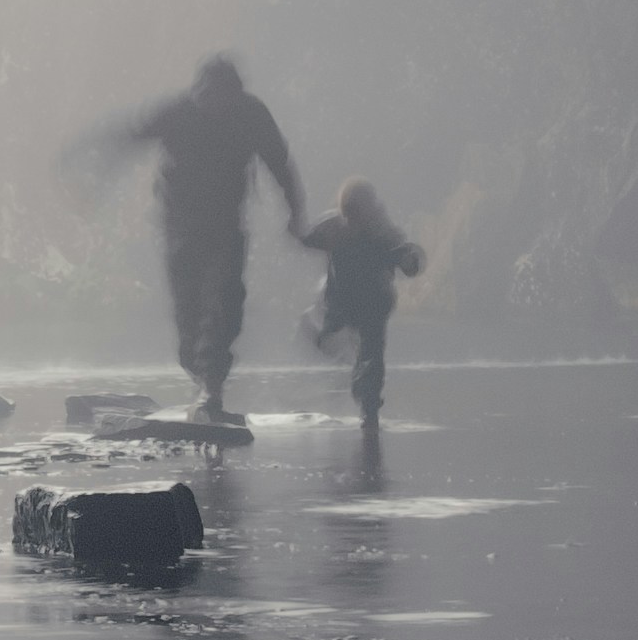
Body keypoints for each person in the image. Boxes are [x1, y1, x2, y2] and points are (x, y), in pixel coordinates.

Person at [88, 56, 306, 414]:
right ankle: (199, 372)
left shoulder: (251, 114)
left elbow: (280, 163)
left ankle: (212, 384)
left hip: (226, 225)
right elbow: (130, 135)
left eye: (220, 98)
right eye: (205, 96)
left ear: (234, 96)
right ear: (197, 92)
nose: (211, 104)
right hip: (181, 226)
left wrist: (295, 213)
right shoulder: (177, 111)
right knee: (188, 311)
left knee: (225, 303)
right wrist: (93, 165)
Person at [297, 178, 424, 412]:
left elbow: (407, 256)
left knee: (372, 352)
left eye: (360, 210)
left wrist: (410, 260)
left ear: (371, 208)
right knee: (329, 335)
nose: (354, 218)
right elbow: (307, 238)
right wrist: (297, 226)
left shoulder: (382, 233)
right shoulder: (334, 228)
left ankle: (369, 400)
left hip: (374, 302)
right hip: (340, 301)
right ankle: (333, 349)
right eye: (350, 211)